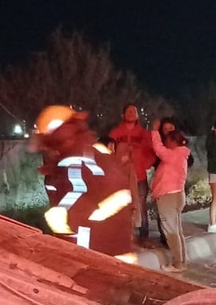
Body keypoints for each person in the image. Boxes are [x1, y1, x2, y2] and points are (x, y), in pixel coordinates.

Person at [32, 105, 135, 258]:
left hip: (98, 250)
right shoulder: (88, 153)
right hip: (112, 247)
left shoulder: (76, 160)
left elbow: (78, 199)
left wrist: (63, 216)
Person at [109, 104, 157, 240]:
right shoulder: (115, 133)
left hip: (139, 176)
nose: (131, 113)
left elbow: (152, 151)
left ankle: (144, 236)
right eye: (128, 111)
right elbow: (108, 150)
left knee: (141, 206)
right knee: (122, 206)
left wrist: (145, 164)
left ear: (137, 115)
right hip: (121, 176)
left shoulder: (144, 134)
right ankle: (123, 236)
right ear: (123, 114)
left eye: (134, 111)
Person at [151, 122, 192, 272]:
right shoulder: (182, 155)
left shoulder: (173, 154)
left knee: (171, 231)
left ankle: (177, 264)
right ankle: (182, 260)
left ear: (173, 142)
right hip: (177, 194)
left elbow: (158, 148)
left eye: (167, 141)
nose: (165, 143)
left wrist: (155, 131)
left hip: (168, 195)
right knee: (177, 230)